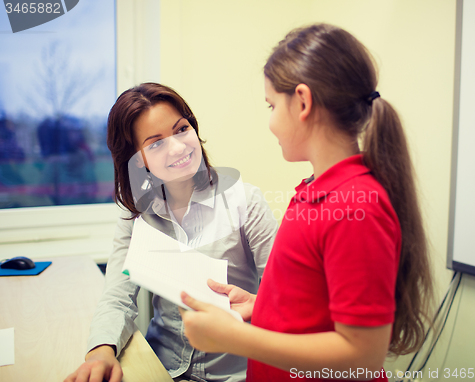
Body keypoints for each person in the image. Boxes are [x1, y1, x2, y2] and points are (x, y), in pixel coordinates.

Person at [179, 23, 434, 382]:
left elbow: (362, 356)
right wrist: (260, 306)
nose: (269, 122)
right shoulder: (316, 190)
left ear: (302, 101)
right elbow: (313, 304)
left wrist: (238, 339)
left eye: (271, 105)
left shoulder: (355, 207)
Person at [64, 83, 277, 382]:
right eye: (155, 144)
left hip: (235, 375)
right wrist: (101, 351)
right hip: (160, 369)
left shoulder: (246, 202)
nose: (178, 147)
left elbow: (285, 299)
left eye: (181, 129)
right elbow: (118, 296)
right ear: (138, 161)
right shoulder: (136, 214)